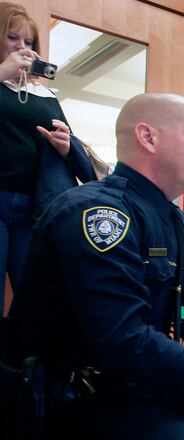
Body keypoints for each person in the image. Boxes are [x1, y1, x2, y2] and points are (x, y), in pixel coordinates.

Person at [7, 93, 184, 439]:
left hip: (141, 381)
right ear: (148, 137)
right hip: (80, 394)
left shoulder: (173, 220)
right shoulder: (96, 213)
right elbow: (125, 345)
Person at [0, 1, 94, 314]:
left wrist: (66, 146)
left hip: (33, 208)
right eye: (13, 38)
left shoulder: (45, 95)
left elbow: (73, 147)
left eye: (28, 42)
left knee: (32, 294)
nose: (22, 48)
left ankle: (20, 363)